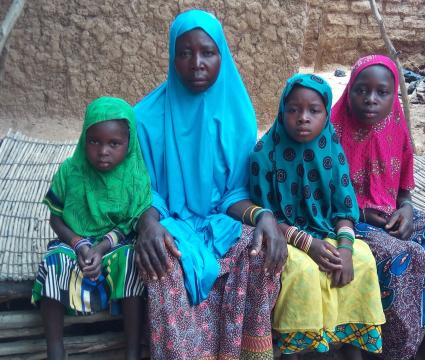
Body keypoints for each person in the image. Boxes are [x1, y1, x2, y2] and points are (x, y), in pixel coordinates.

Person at [133, 9, 287, 360]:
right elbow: (145, 190)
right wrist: (148, 222)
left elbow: (234, 193)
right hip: (171, 221)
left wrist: (262, 215)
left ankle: (242, 354)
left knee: (257, 249)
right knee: (163, 260)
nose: (196, 63)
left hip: (221, 223)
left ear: (223, 55)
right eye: (185, 53)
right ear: (173, 56)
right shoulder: (145, 118)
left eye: (207, 52)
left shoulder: (238, 114)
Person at [331, 54, 425, 360]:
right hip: (345, 221)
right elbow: (317, 197)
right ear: (349, 91)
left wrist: (408, 209)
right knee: (403, 257)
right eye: (361, 90)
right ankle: (392, 350)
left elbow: (404, 188)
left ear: (393, 94)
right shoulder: (331, 133)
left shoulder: (395, 126)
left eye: (381, 92)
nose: (371, 99)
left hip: (391, 214)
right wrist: (359, 213)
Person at [250, 73, 385, 360]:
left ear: (326, 114)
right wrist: (307, 243)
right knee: (303, 271)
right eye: (294, 109)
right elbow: (265, 216)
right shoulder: (265, 153)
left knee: (363, 261)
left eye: (314, 110)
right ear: (282, 110)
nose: (303, 118)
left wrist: (345, 249)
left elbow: (344, 209)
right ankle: (299, 350)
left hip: (327, 231)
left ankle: (350, 347)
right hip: (284, 236)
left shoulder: (331, 151)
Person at [32, 96, 151, 360]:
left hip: (115, 243)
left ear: (129, 144)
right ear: (83, 139)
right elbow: (56, 219)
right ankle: (55, 349)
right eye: (94, 141)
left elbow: (131, 224)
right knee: (54, 263)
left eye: (114, 143)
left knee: (131, 260)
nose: (103, 151)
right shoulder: (70, 171)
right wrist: (80, 244)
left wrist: (100, 247)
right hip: (73, 242)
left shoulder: (135, 176)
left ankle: (132, 351)